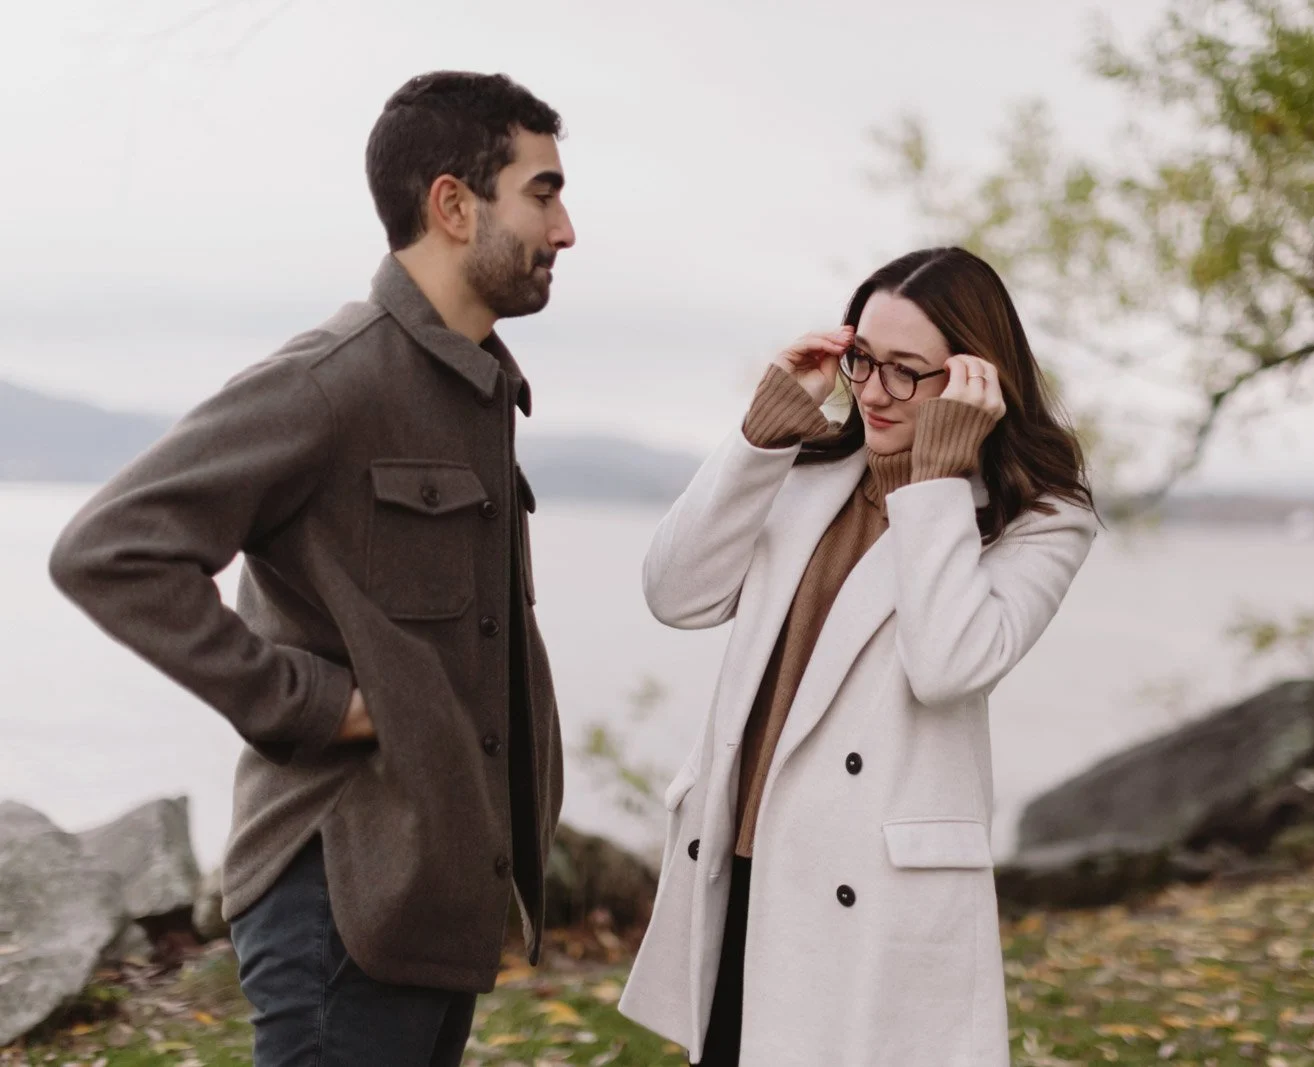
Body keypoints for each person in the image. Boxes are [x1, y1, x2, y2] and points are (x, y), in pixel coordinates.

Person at [48, 70, 575, 1067]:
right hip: (339, 903)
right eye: (542, 193)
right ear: (453, 204)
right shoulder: (333, 380)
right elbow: (110, 549)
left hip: (428, 903)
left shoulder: (476, 388)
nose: (566, 228)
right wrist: (310, 701)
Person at [617, 246, 1098, 1065]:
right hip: (741, 865)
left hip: (874, 903)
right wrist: (759, 432)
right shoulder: (811, 469)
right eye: (864, 360)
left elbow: (947, 664)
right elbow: (676, 593)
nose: (873, 391)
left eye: (907, 370)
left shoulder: (1040, 517)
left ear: (975, 379)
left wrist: (937, 479)